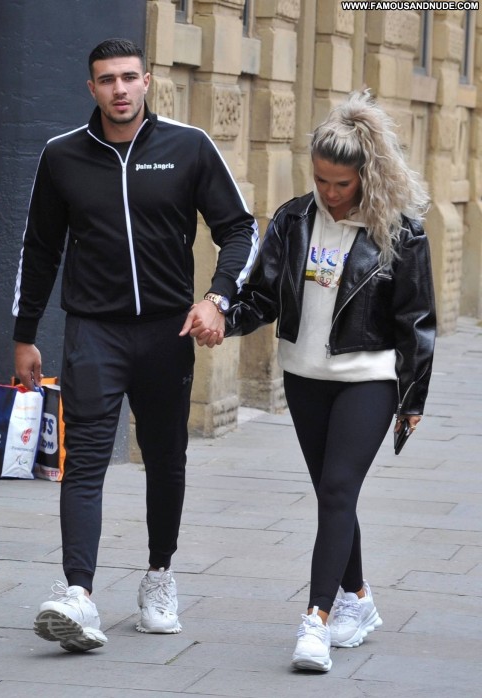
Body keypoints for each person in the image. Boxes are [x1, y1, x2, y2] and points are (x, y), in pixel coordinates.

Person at [12, 38, 258, 652]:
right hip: (93, 330)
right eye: (106, 80)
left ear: (147, 81)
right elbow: (39, 249)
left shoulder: (189, 147)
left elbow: (239, 228)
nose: (119, 89)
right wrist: (24, 335)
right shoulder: (62, 155)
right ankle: (79, 593)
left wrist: (217, 298)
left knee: (166, 457)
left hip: (166, 332)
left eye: (128, 77)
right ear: (91, 88)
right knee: (84, 460)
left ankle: (159, 575)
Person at [225, 91, 435, 672]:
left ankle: (315, 621)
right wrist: (223, 318)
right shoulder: (293, 220)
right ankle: (358, 598)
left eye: (341, 183)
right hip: (304, 375)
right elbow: (263, 297)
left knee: (339, 489)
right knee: (331, 493)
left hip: (369, 376)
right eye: (321, 179)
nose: (330, 192)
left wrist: (412, 397)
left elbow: (417, 321)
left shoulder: (400, 232)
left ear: (366, 174)